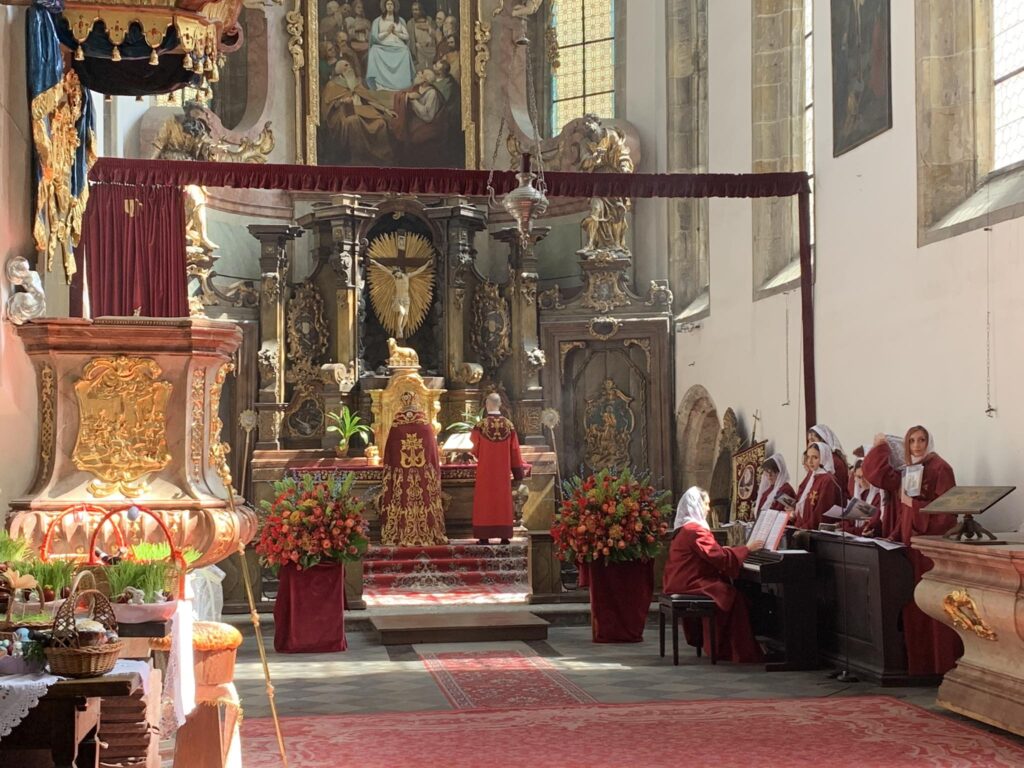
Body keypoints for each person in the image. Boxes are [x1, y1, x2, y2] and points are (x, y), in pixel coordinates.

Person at [862, 425, 961, 676]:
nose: (917, 445)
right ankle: (919, 665)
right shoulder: (912, 469)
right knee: (914, 608)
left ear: (929, 441)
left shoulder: (941, 468)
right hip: (910, 550)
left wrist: (913, 506)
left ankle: (939, 666)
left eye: (921, 440)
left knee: (932, 608)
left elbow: (946, 515)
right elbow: (905, 512)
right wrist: (894, 536)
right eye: (912, 441)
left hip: (929, 553)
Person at [662, 487, 764, 663]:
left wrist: (728, 551)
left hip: (679, 580)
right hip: (690, 583)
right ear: (696, 504)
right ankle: (731, 649)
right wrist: (747, 549)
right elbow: (719, 557)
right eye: (706, 504)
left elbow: (711, 553)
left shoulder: (684, 529)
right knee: (732, 596)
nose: (709, 509)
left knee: (728, 592)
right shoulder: (695, 530)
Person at [378, 391, 448, 546]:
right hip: (423, 473)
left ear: (402, 402)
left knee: (402, 497)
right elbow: (433, 454)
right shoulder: (425, 425)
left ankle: (400, 533)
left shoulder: (396, 425)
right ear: (416, 402)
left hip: (401, 473)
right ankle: (428, 532)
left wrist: (391, 472)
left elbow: (389, 454)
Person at [469, 393, 529, 545]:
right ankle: (504, 536)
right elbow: (515, 450)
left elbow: (474, 447)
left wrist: (480, 454)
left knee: (485, 501)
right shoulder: (509, 426)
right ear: (500, 404)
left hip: (485, 473)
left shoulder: (480, 426)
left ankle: (484, 537)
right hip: (502, 474)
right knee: (502, 502)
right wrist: (518, 473)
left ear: (487, 405)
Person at [788, 442, 840, 530]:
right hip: (802, 527)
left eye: (815, 457)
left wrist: (805, 528)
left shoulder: (828, 480)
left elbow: (821, 511)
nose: (810, 461)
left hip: (813, 531)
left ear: (824, 458)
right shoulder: (812, 476)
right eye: (808, 457)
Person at [366, 0, 416, 91]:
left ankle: (402, 84)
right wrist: (387, 32)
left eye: (391, 4)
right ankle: (380, 84)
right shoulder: (378, 20)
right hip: (383, 45)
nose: (389, 6)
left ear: (394, 6)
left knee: (405, 50)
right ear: (384, 6)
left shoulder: (400, 20)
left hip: (397, 46)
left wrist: (396, 33)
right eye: (388, 4)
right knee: (374, 50)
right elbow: (375, 37)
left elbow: (406, 36)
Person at [808, 424, 849, 504]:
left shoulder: (834, 461)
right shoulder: (819, 460)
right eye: (808, 441)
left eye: (812, 440)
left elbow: (833, 491)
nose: (809, 444)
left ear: (823, 441)